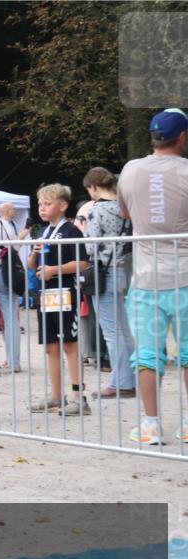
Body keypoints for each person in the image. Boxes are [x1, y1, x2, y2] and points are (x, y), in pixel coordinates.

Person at [117, 108, 188, 445]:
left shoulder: (130, 170)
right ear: (183, 137)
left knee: (147, 354)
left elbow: (126, 212)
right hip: (186, 276)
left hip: (145, 278)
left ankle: (150, 424)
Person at [28, 183, 91, 416]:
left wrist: (54, 270)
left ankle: (78, 397)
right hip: (47, 295)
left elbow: (83, 263)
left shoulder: (71, 230)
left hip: (66, 292)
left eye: (47, 204)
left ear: (62, 206)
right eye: (40, 204)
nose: (42, 209)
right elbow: (31, 265)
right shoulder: (44, 232)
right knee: (50, 346)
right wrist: (34, 252)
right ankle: (56, 396)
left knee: (69, 344)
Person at [81, 166, 136, 399]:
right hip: (121, 271)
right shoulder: (124, 209)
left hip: (102, 273)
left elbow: (90, 246)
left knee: (111, 332)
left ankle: (120, 382)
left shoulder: (97, 210)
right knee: (124, 331)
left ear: (93, 187)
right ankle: (130, 379)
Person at [0, 202, 23, 371]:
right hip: (5, 272)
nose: (15, 211)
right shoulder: (9, 227)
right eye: (13, 209)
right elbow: (15, 248)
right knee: (11, 321)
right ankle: (13, 363)